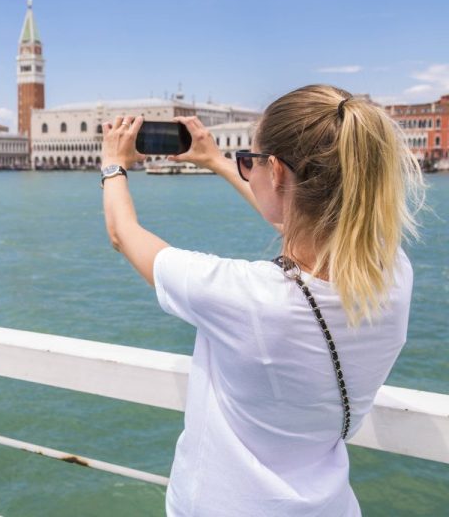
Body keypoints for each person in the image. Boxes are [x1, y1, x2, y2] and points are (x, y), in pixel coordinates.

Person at [100, 84, 424, 516]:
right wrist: (216, 160)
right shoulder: (393, 274)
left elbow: (125, 233)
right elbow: (307, 222)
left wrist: (113, 166)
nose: (246, 170)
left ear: (276, 173)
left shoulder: (243, 296)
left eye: (249, 163)